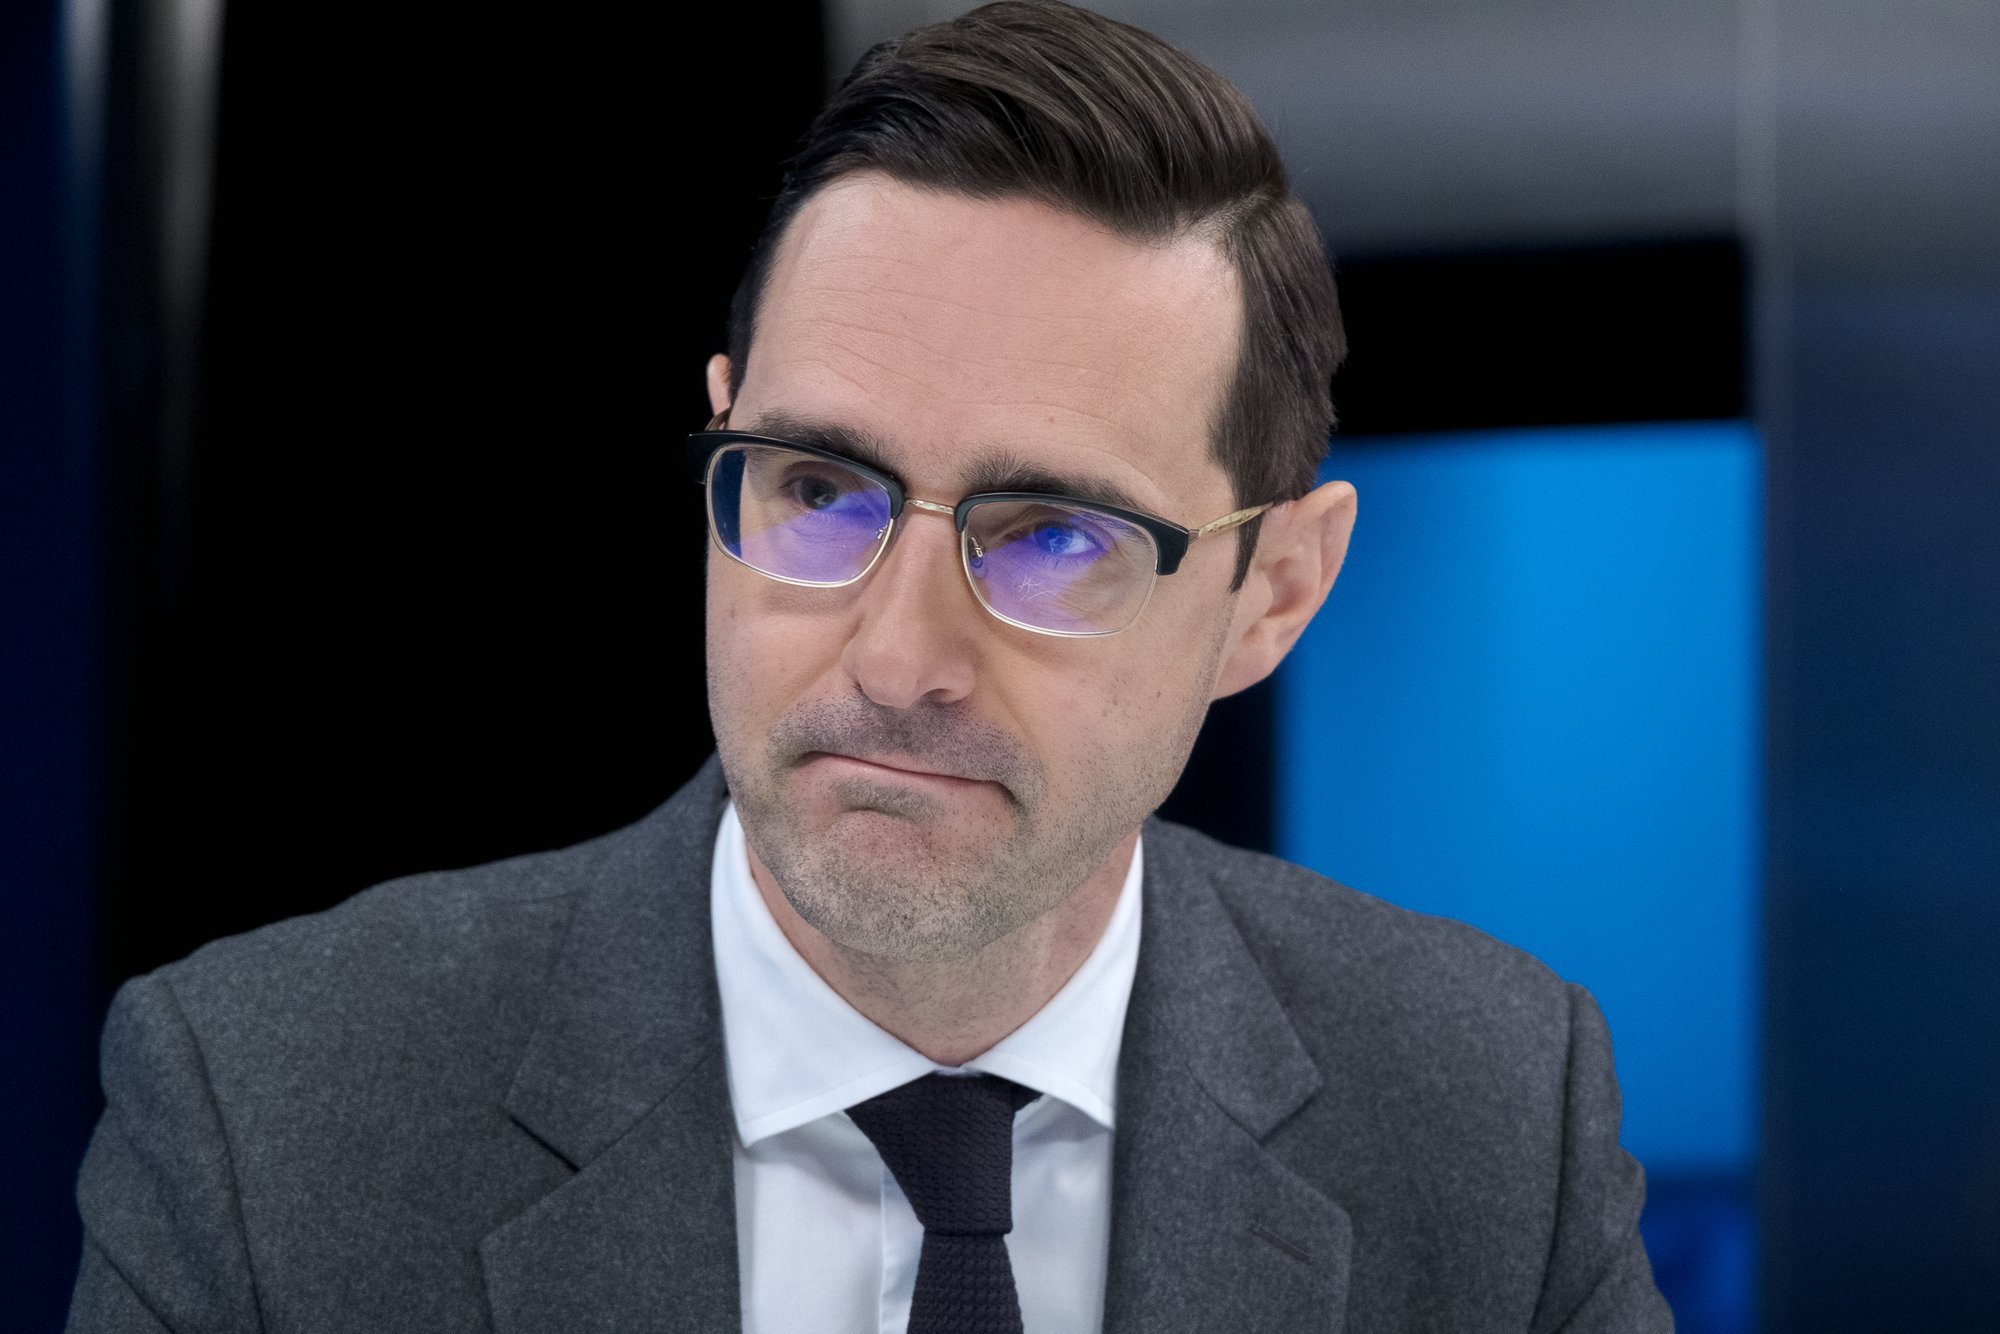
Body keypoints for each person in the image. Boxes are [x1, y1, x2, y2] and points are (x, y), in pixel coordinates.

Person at [68, 3, 1671, 1330]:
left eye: (1054, 534)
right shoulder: (268, 1114)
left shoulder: (1487, 1114)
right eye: (820, 490)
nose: (900, 659)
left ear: (1275, 592)